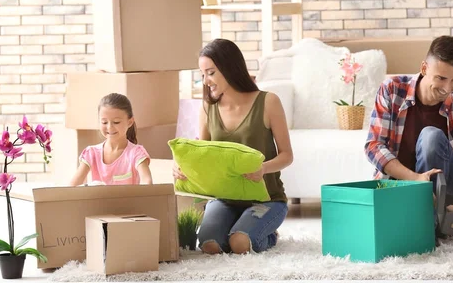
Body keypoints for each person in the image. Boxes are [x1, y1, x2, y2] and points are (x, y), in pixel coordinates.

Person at [172, 38, 294, 255]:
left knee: (239, 244)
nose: (206, 81)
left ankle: (268, 234)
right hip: (225, 200)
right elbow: (204, 157)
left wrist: (263, 168)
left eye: (210, 72)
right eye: (202, 75)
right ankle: (241, 227)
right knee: (210, 245)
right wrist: (184, 170)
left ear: (229, 67)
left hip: (267, 200)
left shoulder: (268, 102)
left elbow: (287, 155)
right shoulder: (207, 109)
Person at [364, 35, 453, 200]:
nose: (448, 88)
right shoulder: (392, 90)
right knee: (430, 136)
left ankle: (434, 218)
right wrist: (416, 179)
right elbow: (374, 146)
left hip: (444, 199)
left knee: (431, 137)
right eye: (441, 78)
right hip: (398, 189)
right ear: (424, 68)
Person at [69, 93, 153, 186]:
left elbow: (147, 183)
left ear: (130, 122)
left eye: (116, 122)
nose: (110, 127)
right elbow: (72, 187)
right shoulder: (91, 153)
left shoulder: (136, 153)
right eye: (104, 122)